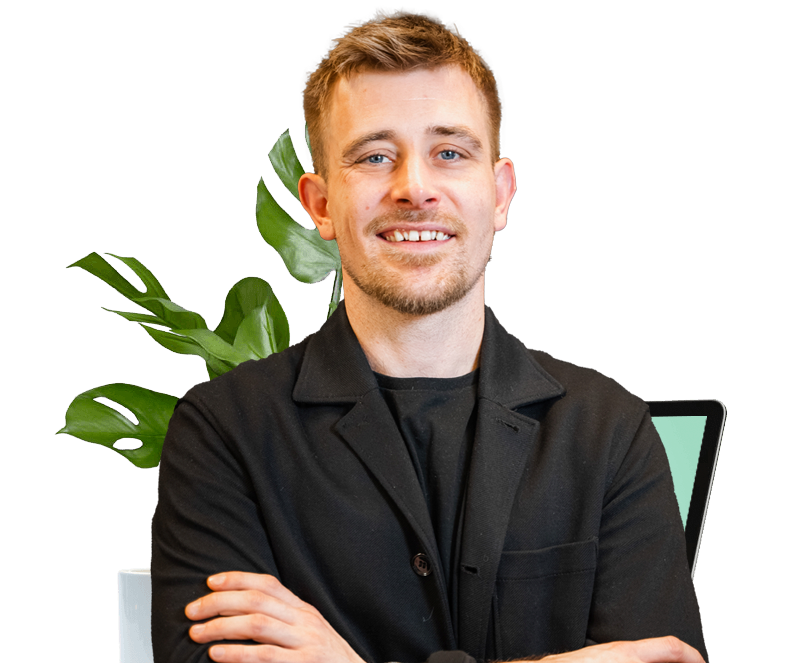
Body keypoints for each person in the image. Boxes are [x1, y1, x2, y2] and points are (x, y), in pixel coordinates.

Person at [151, 7, 709, 663]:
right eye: (375, 156)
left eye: (450, 152)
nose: (414, 188)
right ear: (321, 204)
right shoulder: (225, 432)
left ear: (499, 193)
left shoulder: (608, 430)